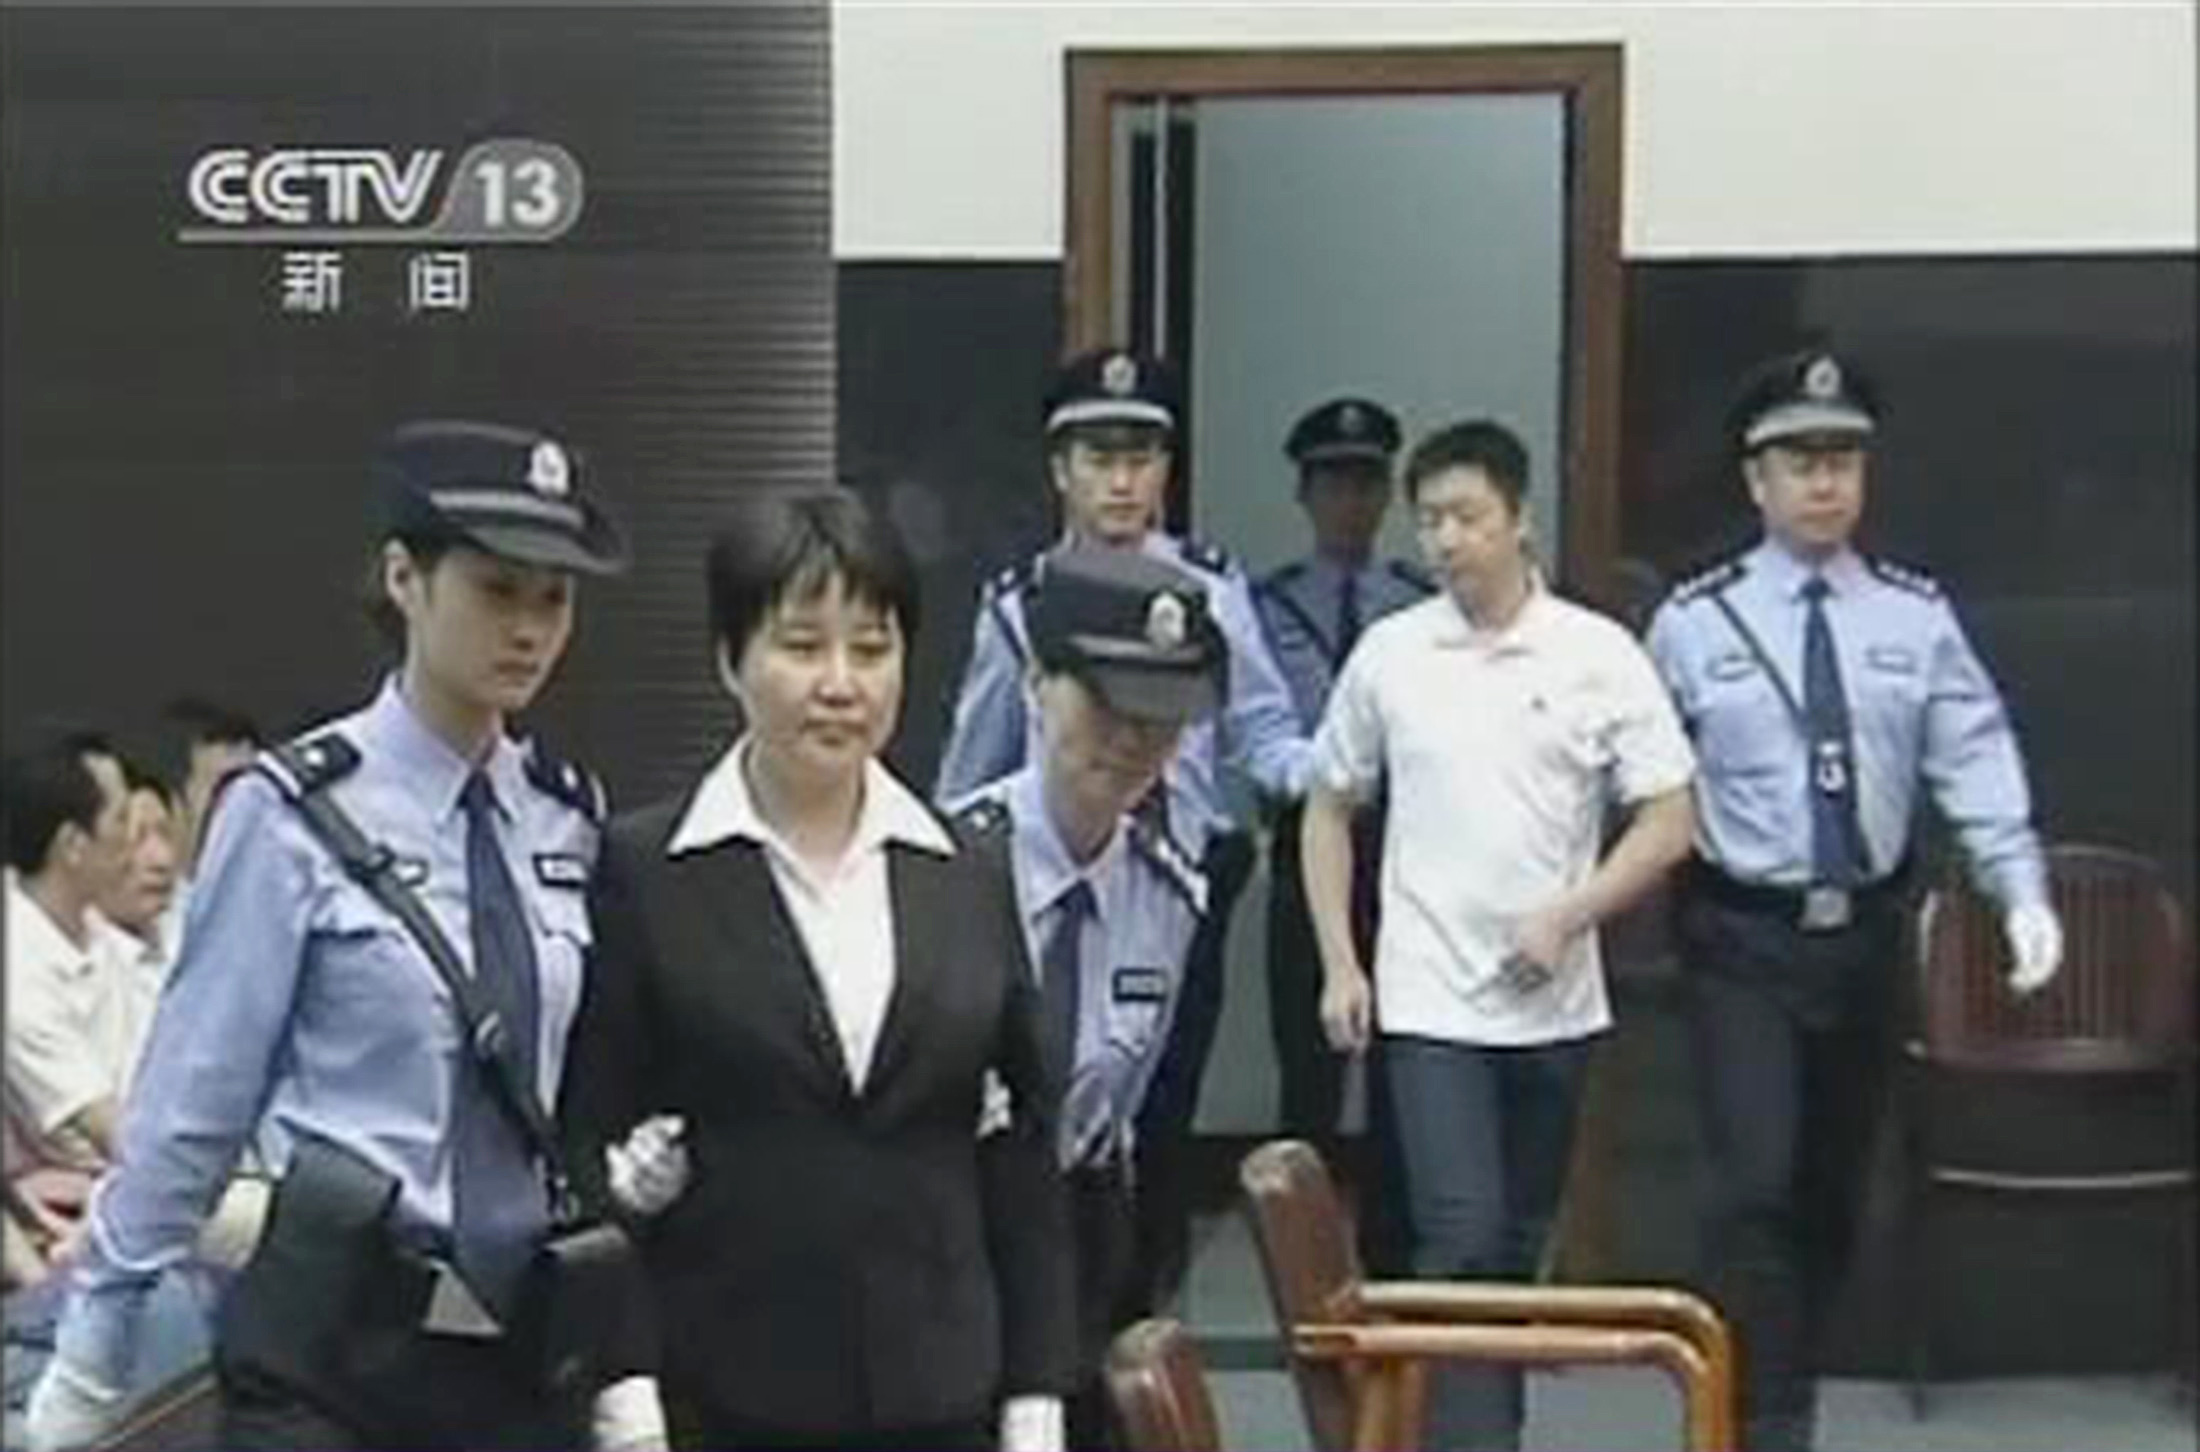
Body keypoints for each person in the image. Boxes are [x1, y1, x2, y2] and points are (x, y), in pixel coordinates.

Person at [25, 419, 665, 1452]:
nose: (529, 629)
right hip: (332, 1352)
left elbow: (578, 1098)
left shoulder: (565, 817)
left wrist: (622, 1364)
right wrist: (94, 1356)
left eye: (554, 599)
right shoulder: (292, 816)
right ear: (405, 578)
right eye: (496, 590)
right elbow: (192, 1108)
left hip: (519, 1351)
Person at [561, 486, 1077, 1452]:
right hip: (723, 1389)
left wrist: (1037, 1398)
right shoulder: (647, 870)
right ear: (731, 659)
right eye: (802, 646)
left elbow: (1023, 1156)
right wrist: (625, 1393)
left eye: (872, 649)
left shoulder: (968, 867)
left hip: (943, 1389)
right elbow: (589, 1140)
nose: (840, 683)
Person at [1645, 348, 2062, 1452]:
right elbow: (1637, 779)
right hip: (1741, 935)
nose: (1824, 482)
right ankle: (1759, 1425)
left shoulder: (1915, 619)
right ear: (1755, 480)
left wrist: (2018, 890)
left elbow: (1971, 753)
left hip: (1865, 936)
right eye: (1800, 462)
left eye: (1842, 461)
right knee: (1754, 1185)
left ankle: (1786, 1389)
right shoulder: (1694, 622)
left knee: (1830, 1191)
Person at [1302, 419, 1697, 1451]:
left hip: (1555, 1002)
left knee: (1515, 1250)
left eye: (1466, 516)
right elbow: (1326, 806)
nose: (1445, 539)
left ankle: (1477, 1430)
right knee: (1460, 1236)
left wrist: (1572, 913)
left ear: (1520, 520)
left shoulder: (1594, 654)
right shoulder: (1392, 653)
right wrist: (1341, 962)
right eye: (1428, 519)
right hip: (1428, 999)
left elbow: (1669, 819)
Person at [935, 346, 1311, 1305]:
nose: (1121, 480)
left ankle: (1135, 1325)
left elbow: (1261, 726)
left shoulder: (1210, 589)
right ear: (1060, 470)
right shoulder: (1023, 604)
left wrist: (1328, 776)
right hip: (1045, 882)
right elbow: (973, 765)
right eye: (1099, 458)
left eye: (1141, 458)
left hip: (1177, 878)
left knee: (1158, 1116)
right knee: (1034, 1102)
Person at [948, 546, 1227, 1448]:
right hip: (949, 1236)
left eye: (1162, 714)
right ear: (1037, 684)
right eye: (1106, 702)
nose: (1132, 737)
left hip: (1082, 1237)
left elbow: (1125, 1111)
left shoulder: (1172, 896)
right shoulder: (943, 867)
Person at [1254, 396, 1429, 1268]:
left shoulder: (1422, 603)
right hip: (1306, 847)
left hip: (1406, 851)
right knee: (1308, 1067)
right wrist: (1325, 780)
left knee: (1404, 1066)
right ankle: (1307, 1266)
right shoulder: (1267, 605)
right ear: (1305, 493)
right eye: (1332, 484)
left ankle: (1391, 1261)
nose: (1349, 502)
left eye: (1365, 483)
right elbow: (1255, 730)